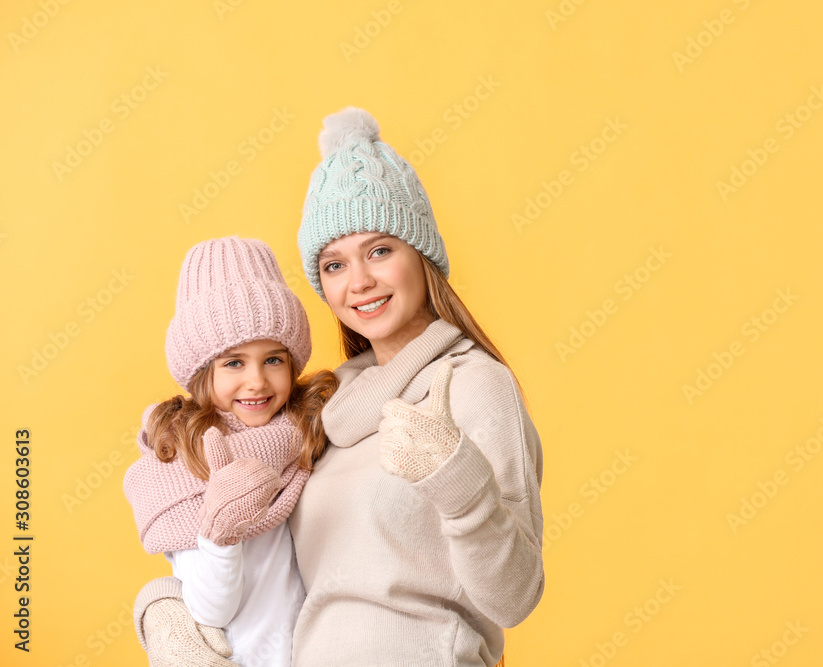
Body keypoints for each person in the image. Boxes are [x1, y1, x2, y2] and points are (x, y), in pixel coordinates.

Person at [135, 108, 544, 666]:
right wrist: (163, 606)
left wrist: (459, 480)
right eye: (333, 265)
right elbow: (265, 563)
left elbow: (514, 597)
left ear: (421, 256)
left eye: (379, 250)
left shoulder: (474, 385)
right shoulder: (320, 405)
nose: (359, 282)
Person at [124, 236, 336, 667]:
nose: (257, 381)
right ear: (202, 374)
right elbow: (209, 611)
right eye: (234, 363)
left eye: (274, 360)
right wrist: (220, 534)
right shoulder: (185, 457)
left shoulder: (305, 434)